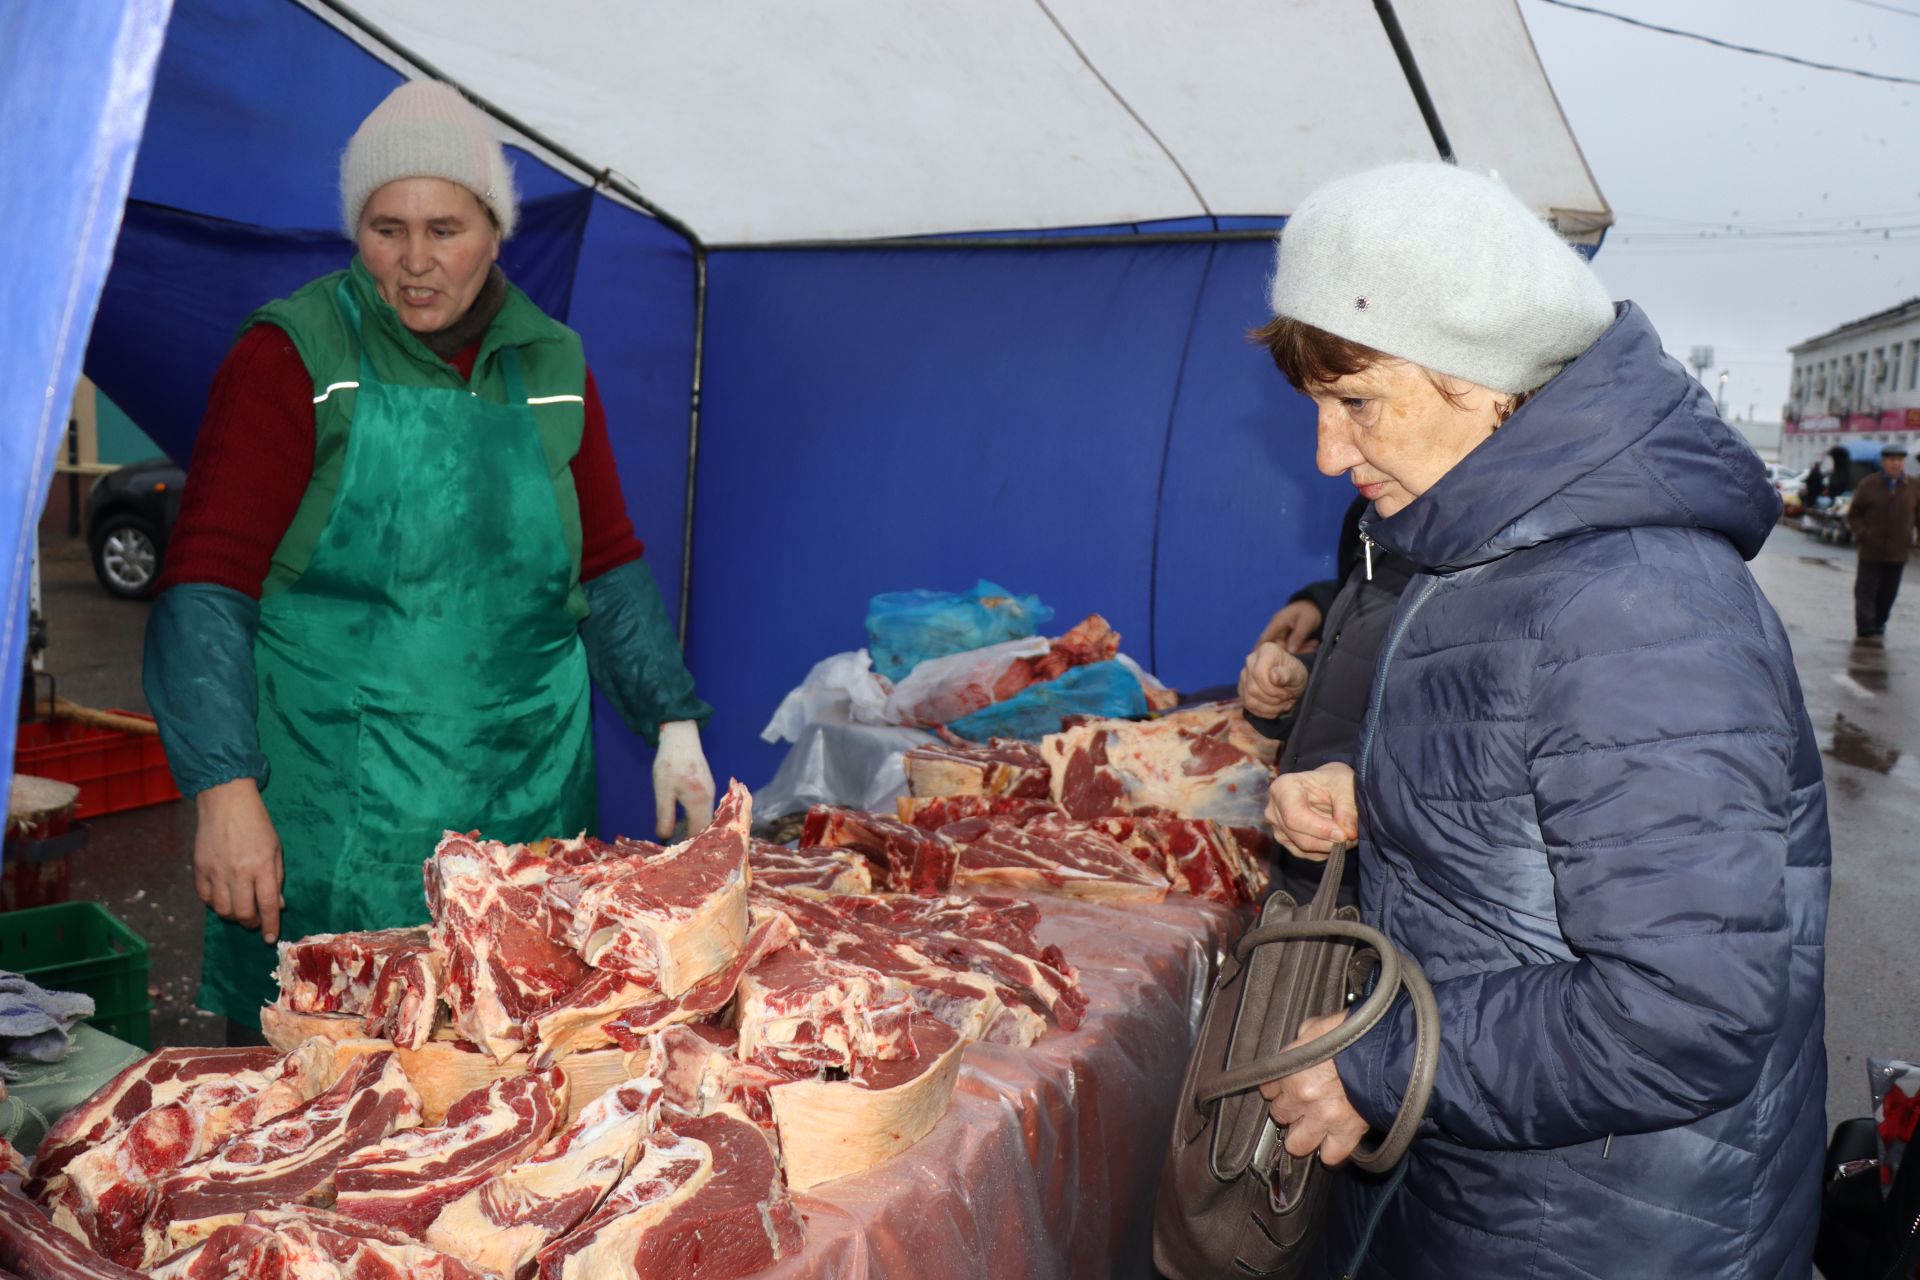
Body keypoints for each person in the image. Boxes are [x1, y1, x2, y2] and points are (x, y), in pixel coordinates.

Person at [1250, 163, 1828, 1277]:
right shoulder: (1500, 554)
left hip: (1607, 1228)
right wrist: (1389, 799)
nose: (1327, 451)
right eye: (1316, 407)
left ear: (1486, 378)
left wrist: (1384, 1065)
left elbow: (1683, 1011)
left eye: (1356, 400)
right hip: (1506, 1184)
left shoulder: (1638, 603)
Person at [144, 82, 716, 1037]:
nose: (415, 263)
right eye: (385, 228)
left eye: (445, 228)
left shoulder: (552, 366)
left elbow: (606, 566)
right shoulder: (295, 355)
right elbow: (205, 586)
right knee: (335, 1099)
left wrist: (672, 720)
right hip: (345, 815)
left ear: (496, 230)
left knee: (518, 1085)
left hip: (529, 810)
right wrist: (224, 790)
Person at [1237, 495, 1415, 903]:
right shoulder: (1377, 507)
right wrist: (1304, 680)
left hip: (1388, 902)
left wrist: (1371, 786)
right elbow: (1377, 641)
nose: (1330, 458)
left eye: (1365, 425)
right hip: (1318, 871)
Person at [1847, 441, 1918, 643]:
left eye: (1899, 460)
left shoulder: (1913, 486)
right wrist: (1863, 533)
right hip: (1871, 549)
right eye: (1891, 460)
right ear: (1883, 462)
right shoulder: (1868, 484)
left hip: (1898, 551)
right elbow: (1854, 514)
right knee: (1865, 591)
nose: (1896, 464)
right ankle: (1865, 626)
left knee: (1888, 592)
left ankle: (1879, 622)